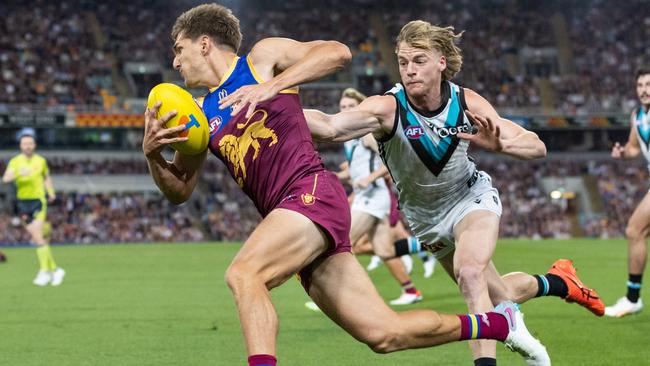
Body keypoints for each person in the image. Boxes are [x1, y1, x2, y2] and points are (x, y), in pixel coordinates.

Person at [143, 5, 549, 366]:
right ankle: (495, 324)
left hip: (309, 192)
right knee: (386, 335)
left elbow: (337, 53)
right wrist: (152, 155)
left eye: (178, 49)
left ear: (204, 43)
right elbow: (179, 191)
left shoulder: (261, 60)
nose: (175, 61)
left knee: (244, 274)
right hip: (294, 217)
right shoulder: (197, 116)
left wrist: (271, 86)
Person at [305, 20, 603, 366]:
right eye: (403, 62)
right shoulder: (388, 108)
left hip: (470, 198)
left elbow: (536, 146)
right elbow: (329, 125)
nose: (409, 70)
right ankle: (559, 282)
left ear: (441, 62)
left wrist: (500, 145)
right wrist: (275, 107)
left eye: (419, 60)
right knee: (499, 294)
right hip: (425, 218)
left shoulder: (466, 102)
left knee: (470, 272)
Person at [606, 67, 650, 317]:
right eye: (640, 85)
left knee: (635, 229)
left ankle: (633, 299)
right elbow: (634, 147)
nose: (644, 89)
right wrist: (623, 153)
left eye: (648, 84)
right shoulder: (638, 116)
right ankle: (633, 298)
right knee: (636, 231)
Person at [2, 133, 65, 286]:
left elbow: (46, 178)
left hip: (38, 201)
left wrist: (50, 192)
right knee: (38, 238)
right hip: (23, 203)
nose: (28, 146)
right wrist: (18, 173)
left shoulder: (41, 161)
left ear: (34, 145)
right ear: (21, 146)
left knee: (37, 235)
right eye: (25, 143)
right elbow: (5, 178)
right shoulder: (16, 162)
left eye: (30, 143)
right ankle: (55, 270)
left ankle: (44, 271)